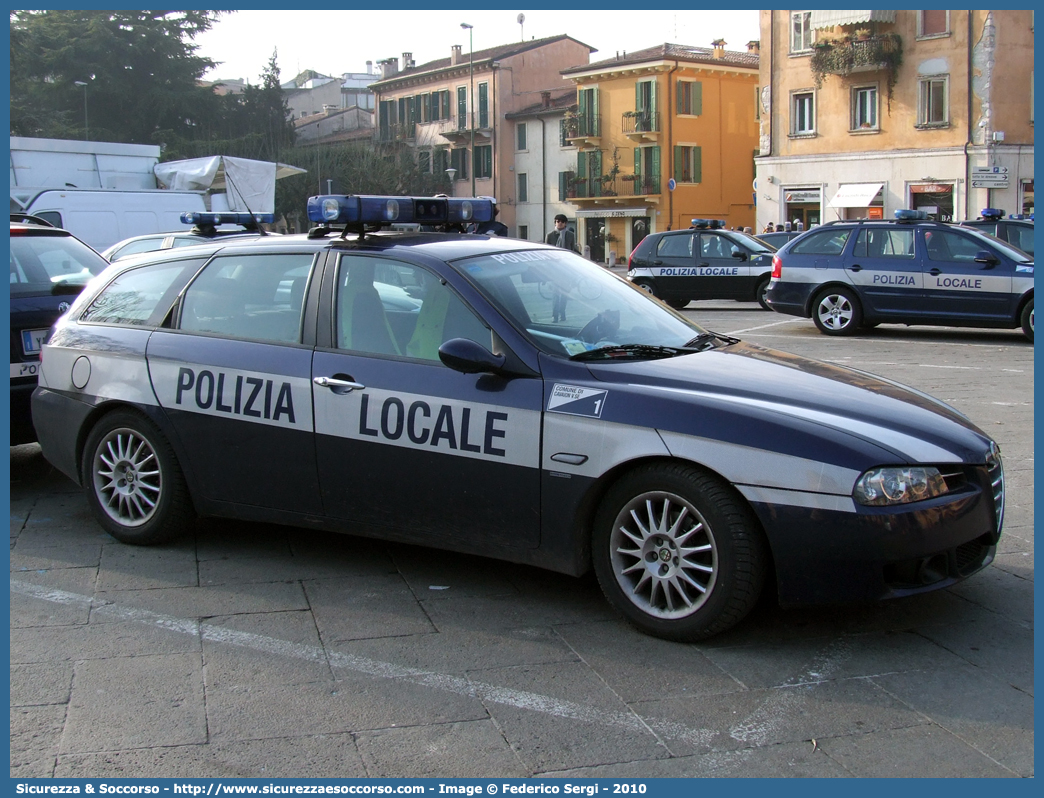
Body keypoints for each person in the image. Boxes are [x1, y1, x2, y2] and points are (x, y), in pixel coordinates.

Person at [545, 214, 578, 322]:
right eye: (557, 221)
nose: (559, 223)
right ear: (555, 222)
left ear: (565, 223)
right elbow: (546, 253)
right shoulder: (550, 235)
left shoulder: (570, 235)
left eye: (562, 221)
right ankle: (554, 315)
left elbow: (572, 250)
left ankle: (562, 313)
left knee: (564, 293)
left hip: (566, 268)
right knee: (555, 293)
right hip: (555, 269)